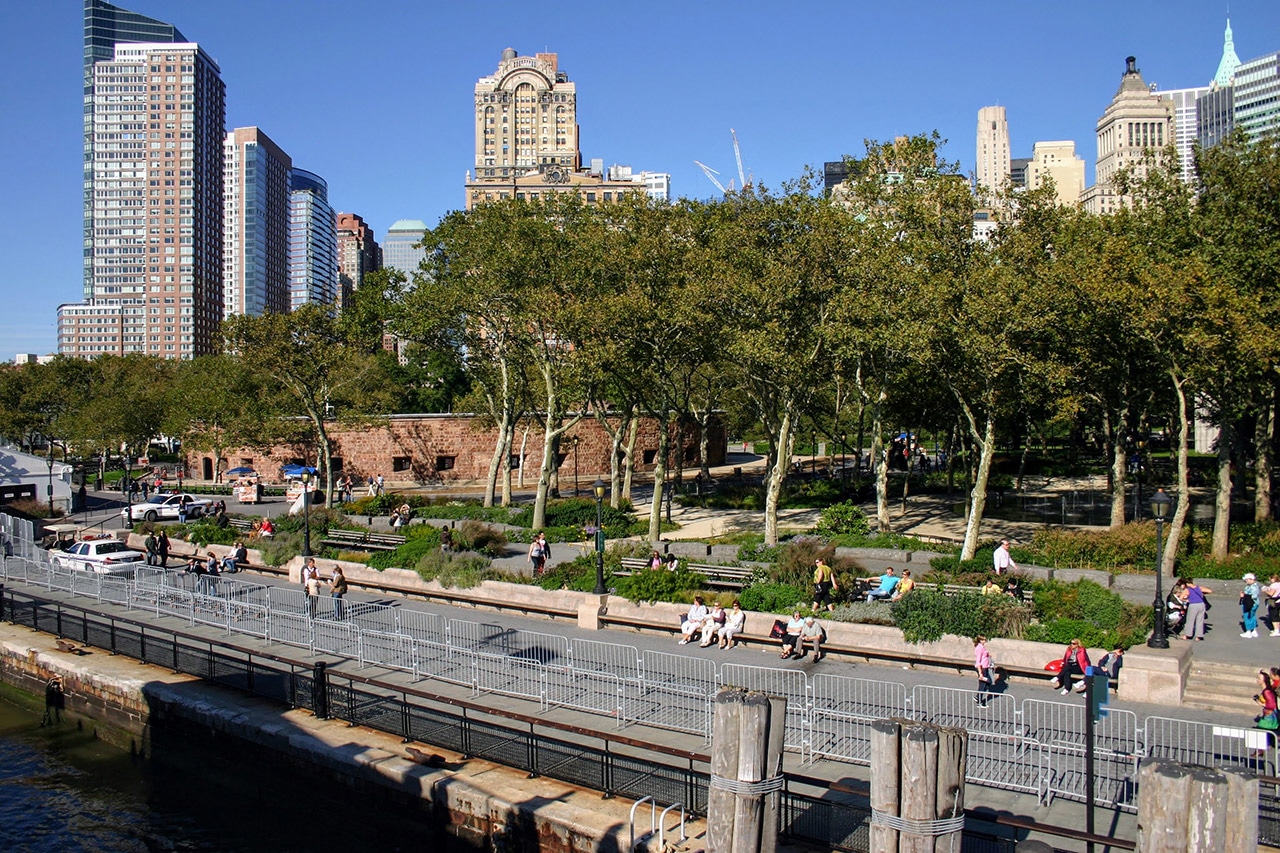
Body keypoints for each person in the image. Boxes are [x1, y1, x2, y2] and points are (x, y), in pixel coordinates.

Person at [974, 636, 995, 707]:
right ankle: (979, 702)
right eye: (983, 639)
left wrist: (988, 655)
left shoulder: (982, 647)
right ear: (980, 640)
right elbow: (978, 661)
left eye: (985, 639)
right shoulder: (979, 648)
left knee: (988, 682)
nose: (985, 640)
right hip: (982, 668)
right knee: (982, 685)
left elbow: (984, 655)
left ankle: (978, 697)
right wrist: (980, 673)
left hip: (985, 667)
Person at [1241, 572, 1262, 639]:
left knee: (1247, 616)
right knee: (1252, 616)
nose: (1246, 581)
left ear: (1251, 579)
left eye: (1247, 580)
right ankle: (1254, 630)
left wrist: (1243, 596)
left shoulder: (1252, 587)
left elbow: (1254, 596)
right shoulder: (1254, 586)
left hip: (1250, 603)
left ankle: (1248, 631)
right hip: (1255, 603)